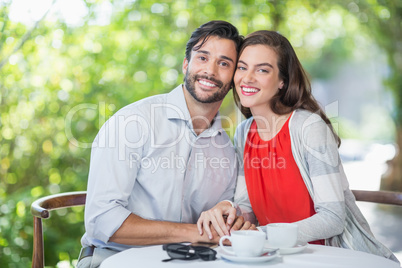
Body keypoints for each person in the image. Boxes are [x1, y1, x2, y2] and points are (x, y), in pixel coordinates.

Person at [197, 30, 399, 263]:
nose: (248, 78)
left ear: (282, 81)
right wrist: (229, 210)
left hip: (327, 257)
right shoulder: (244, 132)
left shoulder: (308, 127)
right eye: (242, 67)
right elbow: (247, 205)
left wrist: (262, 235)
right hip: (276, 256)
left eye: (262, 69)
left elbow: (333, 218)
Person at [76, 21, 254, 268]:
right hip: (113, 259)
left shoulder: (226, 149)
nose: (211, 71)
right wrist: (195, 233)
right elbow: (102, 220)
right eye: (202, 57)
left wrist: (230, 220)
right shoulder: (133, 122)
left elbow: (221, 222)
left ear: (234, 77)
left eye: (224, 63)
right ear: (186, 64)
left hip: (191, 262)